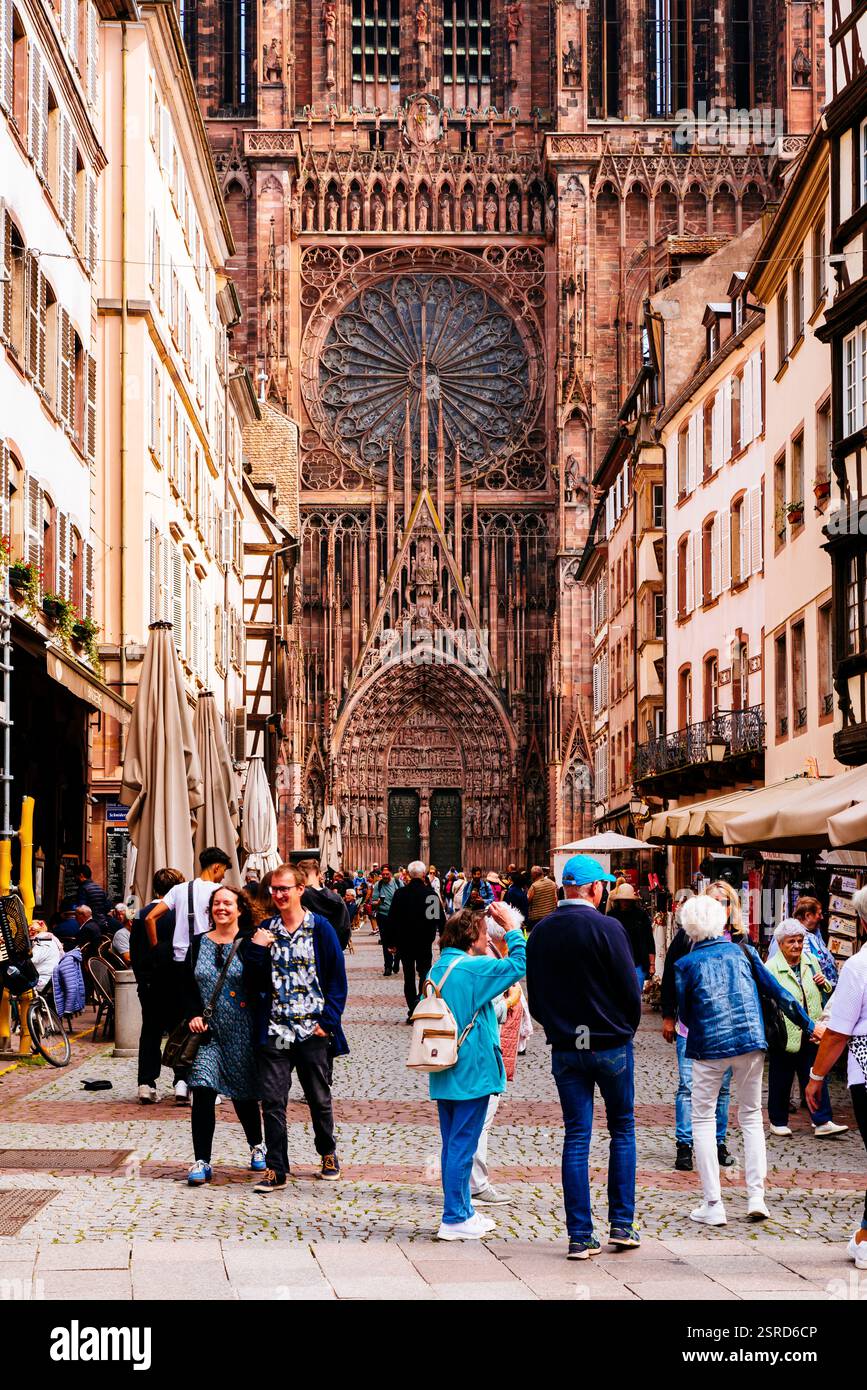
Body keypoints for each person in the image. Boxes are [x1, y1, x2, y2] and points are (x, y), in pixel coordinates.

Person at [675, 895, 822, 1226]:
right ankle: (757, 1196)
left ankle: (714, 1203)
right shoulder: (743, 951)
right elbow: (779, 992)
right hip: (749, 1040)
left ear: (688, 928)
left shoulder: (685, 964)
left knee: (702, 1119)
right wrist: (809, 1025)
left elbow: (685, 1013)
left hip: (709, 1047)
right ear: (721, 921)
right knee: (752, 1116)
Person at [526, 854, 642, 1259]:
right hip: (610, 1044)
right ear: (595, 888)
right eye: (603, 885)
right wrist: (624, 1027)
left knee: (577, 1136)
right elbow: (630, 990)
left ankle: (579, 1235)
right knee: (622, 1131)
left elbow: (535, 998)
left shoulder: (540, 932)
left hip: (568, 1048)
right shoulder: (609, 928)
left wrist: (560, 1029)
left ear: (564, 888)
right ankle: (622, 1225)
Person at [241, 863, 348, 1192]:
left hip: (312, 1029)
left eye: (285, 888)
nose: (279, 894)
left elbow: (336, 980)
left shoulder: (321, 928)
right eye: (274, 889)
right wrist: (257, 949)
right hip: (275, 1029)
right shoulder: (265, 930)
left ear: (301, 890)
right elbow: (251, 981)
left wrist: (327, 1023)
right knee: (273, 1100)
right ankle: (276, 1168)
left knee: (318, 1097)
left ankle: (327, 1153)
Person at [427, 901, 527, 1240]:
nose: (487, 941)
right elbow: (519, 964)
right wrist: (512, 928)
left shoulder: (439, 967)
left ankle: (464, 1210)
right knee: (463, 1145)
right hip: (472, 1068)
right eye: (485, 935)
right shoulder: (474, 968)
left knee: (454, 1143)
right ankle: (454, 1217)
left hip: (444, 1066)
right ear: (472, 937)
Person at [184, 885, 265, 1185]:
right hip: (208, 1032)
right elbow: (186, 984)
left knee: (244, 1094)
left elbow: (260, 982)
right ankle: (201, 1160)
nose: (222, 908)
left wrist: (260, 949)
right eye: (217, 904)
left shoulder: (249, 942)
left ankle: (257, 1145)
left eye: (228, 904)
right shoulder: (197, 944)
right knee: (202, 1089)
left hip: (242, 1029)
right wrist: (193, 1013)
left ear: (239, 909)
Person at [806, 888, 867, 1270]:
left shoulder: (859, 967)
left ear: (862, 921)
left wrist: (815, 1077)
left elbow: (838, 1032)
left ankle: (865, 1238)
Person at [145, 846, 232, 1104]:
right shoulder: (217, 894)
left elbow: (150, 917)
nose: (222, 878)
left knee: (184, 1022)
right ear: (216, 867)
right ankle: (202, 1083)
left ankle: (181, 1081)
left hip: (178, 963)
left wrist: (157, 947)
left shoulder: (178, 890)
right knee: (208, 1022)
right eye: (223, 872)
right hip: (207, 961)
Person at [660, 888, 733, 1172]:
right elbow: (670, 974)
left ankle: (718, 1143)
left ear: (730, 907)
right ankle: (685, 1144)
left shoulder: (736, 939)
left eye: (722, 901)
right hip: (689, 1027)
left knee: (723, 1090)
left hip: (725, 1029)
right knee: (688, 1086)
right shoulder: (686, 938)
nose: (716, 905)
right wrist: (668, 1015)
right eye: (711, 900)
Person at [765, 919, 847, 1139]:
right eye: (791, 941)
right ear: (781, 944)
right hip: (784, 1031)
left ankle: (822, 1120)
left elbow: (824, 995)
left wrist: (825, 984)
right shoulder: (771, 968)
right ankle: (778, 1120)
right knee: (781, 1076)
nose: (797, 946)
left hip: (812, 1030)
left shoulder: (810, 961)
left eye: (800, 941)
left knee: (815, 1074)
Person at [469, 902, 526, 1208]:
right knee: (481, 1120)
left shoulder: (487, 955)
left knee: (473, 1120)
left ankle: (468, 1184)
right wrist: (512, 999)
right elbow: (489, 1009)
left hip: (492, 1048)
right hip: (486, 1049)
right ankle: (476, 1185)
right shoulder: (488, 961)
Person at [131, 867, 184, 1104]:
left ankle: (146, 1083)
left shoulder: (141, 915)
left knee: (150, 1031)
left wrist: (142, 980)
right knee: (179, 1030)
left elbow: (134, 952)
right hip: (175, 980)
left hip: (149, 983)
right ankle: (181, 1081)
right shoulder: (178, 913)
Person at [388, 860, 444, 1020]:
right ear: (424, 875)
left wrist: (391, 942)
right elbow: (437, 920)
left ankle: (412, 1008)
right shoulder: (431, 895)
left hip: (404, 942)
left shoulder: (400, 894)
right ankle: (420, 1004)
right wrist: (442, 941)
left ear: (408, 875)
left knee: (409, 976)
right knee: (425, 973)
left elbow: (392, 919)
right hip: (424, 941)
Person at [768, 895, 839, 987]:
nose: (821, 917)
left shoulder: (815, 935)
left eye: (800, 941)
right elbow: (774, 973)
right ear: (808, 915)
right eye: (819, 914)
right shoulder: (784, 936)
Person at [606, 883, 656, 990]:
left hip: (638, 962)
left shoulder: (641, 915)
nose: (625, 902)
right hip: (617, 962)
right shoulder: (611, 916)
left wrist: (652, 964)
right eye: (623, 899)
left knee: (636, 994)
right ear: (618, 900)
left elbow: (649, 940)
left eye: (627, 899)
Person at [298, 858, 351, 950]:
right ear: (319, 875)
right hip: (331, 947)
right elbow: (345, 928)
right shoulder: (336, 899)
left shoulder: (299, 896)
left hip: (305, 948)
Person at [52, 939, 86, 1032]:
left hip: (63, 996)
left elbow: (71, 988)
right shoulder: (72, 957)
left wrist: (68, 1009)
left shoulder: (67, 961)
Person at [372, 867, 398, 974]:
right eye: (384, 874)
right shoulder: (378, 885)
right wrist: (378, 902)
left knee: (397, 940)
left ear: (390, 874)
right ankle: (387, 966)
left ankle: (396, 961)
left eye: (387, 874)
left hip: (396, 916)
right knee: (385, 941)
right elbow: (373, 902)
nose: (385, 876)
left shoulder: (397, 883)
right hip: (383, 915)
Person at [28, 920, 62, 999]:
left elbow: (31, 961)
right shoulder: (50, 940)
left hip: (43, 981)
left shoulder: (42, 943)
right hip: (50, 979)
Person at [73, 863, 110, 931]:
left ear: (81, 875)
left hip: (90, 927)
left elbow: (82, 909)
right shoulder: (100, 889)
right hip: (103, 925)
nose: (75, 878)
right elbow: (108, 907)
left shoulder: (83, 889)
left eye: (76, 876)